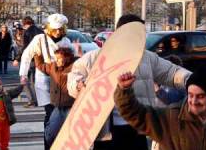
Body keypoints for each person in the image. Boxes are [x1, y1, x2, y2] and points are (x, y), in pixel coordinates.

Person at [67, 14, 191, 150]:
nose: (142, 38)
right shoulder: (95, 57)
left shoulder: (147, 58)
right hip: (106, 131)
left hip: (139, 127)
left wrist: (194, 81)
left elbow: (171, 73)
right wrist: (79, 85)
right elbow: (73, 77)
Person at [115, 67, 206, 150]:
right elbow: (135, 114)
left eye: (200, 96)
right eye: (190, 95)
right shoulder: (170, 118)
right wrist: (124, 90)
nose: (193, 101)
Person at [19, 13, 73, 150]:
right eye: (55, 29)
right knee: (50, 113)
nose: (58, 32)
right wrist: (23, 74)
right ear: (49, 28)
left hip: (60, 80)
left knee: (60, 113)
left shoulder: (66, 41)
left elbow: (72, 60)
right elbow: (27, 55)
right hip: (44, 78)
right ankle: (48, 145)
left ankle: (58, 143)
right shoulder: (40, 39)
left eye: (60, 29)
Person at [34, 45, 82, 147]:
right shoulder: (53, 66)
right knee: (50, 134)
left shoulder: (75, 66)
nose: (57, 61)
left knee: (73, 134)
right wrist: (37, 54)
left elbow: (85, 66)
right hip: (58, 108)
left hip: (72, 107)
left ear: (68, 57)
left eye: (59, 58)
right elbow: (41, 66)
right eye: (56, 58)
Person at [13, 16, 43, 108]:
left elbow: (24, 47)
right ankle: (38, 100)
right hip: (38, 59)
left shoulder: (27, 32)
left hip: (28, 59)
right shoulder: (41, 31)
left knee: (24, 79)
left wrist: (17, 58)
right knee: (34, 80)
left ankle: (32, 100)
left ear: (25, 24)